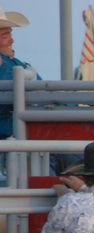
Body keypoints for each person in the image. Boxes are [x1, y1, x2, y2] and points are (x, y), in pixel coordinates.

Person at [0, 8, 38, 185]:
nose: (12, 40)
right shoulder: (9, 66)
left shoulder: (14, 63)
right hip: (17, 138)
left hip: (30, 135)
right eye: (6, 35)